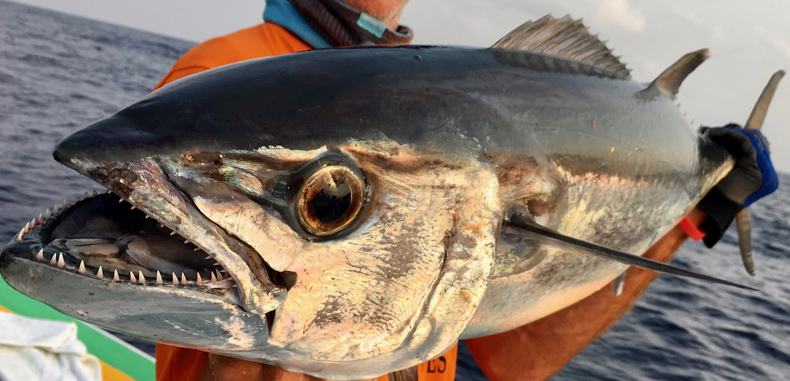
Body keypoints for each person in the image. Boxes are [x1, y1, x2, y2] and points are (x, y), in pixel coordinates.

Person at [152, 1, 779, 380]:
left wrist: (691, 220)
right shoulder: (225, 78)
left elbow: (512, 362)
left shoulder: (459, 82)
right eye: (334, 202)